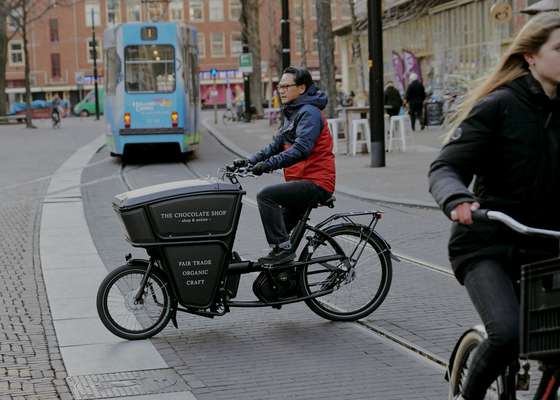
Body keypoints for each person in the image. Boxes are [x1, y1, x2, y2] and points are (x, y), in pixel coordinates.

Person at [428, 14, 560, 400]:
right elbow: (446, 167)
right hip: (488, 244)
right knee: (506, 334)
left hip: (548, 245)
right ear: (531, 56)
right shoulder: (499, 106)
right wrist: (457, 199)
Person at [233, 66, 335, 265]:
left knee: (266, 196)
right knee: (279, 226)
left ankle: (283, 252)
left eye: (286, 86)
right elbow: (275, 145)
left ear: (302, 88)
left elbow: (301, 149)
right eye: (280, 86)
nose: (281, 90)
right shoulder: (293, 113)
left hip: (316, 182)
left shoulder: (310, 114)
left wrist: (267, 165)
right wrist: (249, 162)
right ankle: (286, 275)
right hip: (300, 180)